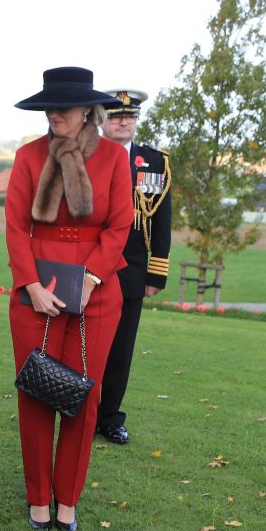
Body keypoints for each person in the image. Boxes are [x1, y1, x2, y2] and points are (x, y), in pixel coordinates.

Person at [6, 67, 134, 531]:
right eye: (49, 106)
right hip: (36, 291)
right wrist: (31, 285)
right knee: (37, 391)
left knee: (85, 395)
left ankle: (68, 500)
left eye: (65, 106)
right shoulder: (27, 157)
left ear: (87, 112)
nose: (55, 113)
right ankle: (38, 498)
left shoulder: (116, 159)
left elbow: (119, 227)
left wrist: (92, 278)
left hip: (96, 292)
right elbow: (17, 227)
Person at [95, 90, 172, 445]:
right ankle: (77, 411)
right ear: (102, 119)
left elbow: (163, 222)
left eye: (129, 116)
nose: (123, 121)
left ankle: (109, 418)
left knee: (121, 350)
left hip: (131, 271)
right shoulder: (85, 155)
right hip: (89, 267)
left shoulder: (153, 162)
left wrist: (156, 273)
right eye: (115, 116)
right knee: (84, 345)